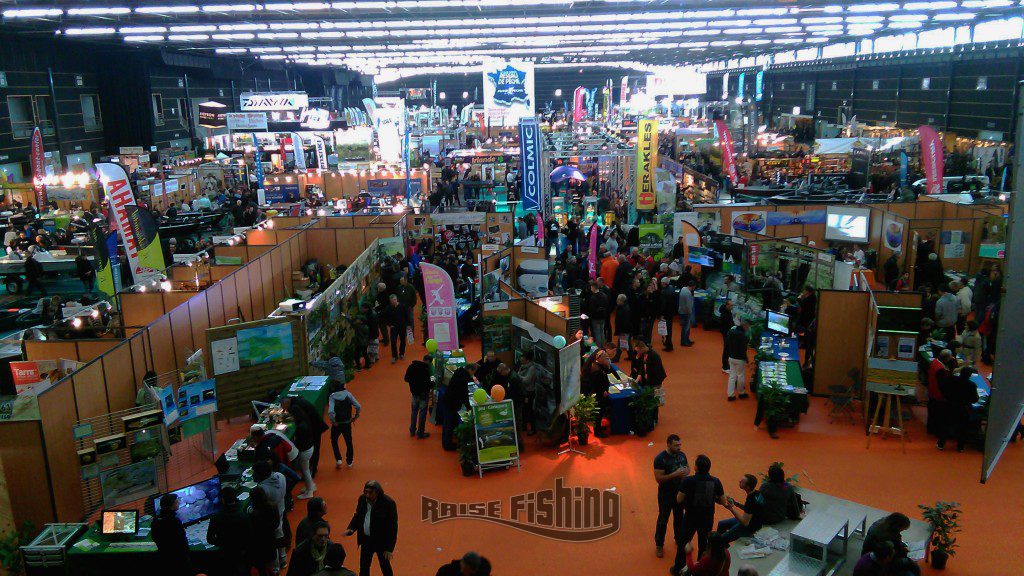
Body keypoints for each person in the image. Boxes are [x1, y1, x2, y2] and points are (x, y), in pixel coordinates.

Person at [674, 454, 724, 570]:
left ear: (696, 467)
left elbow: (679, 499)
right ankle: (701, 568)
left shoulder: (688, 480)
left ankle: (678, 568)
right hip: (707, 518)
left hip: (690, 517)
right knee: (704, 545)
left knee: (684, 542)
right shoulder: (716, 481)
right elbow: (722, 501)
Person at [344, 480, 398, 576]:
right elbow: (357, 515)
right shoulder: (362, 499)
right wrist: (351, 527)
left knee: (385, 567)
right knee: (364, 567)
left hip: (381, 542)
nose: (367, 495)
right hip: (366, 540)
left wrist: (389, 549)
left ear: (378, 493)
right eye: (366, 492)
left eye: (370, 493)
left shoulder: (388, 503)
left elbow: (393, 527)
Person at [652, 434, 689, 558]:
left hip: (680, 493)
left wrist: (686, 472)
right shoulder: (660, 459)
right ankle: (659, 544)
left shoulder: (682, 455)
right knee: (663, 520)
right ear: (668, 444)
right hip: (666, 494)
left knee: (679, 517)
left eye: (680, 445)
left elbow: (687, 468)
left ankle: (679, 539)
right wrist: (676, 474)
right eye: (676, 445)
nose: (679, 447)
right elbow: (659, 479)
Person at [207, 485, 252, 576]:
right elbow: (250, 535)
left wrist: (223, 543)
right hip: (243, 551)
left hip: (226, 552)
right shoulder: (243, 516)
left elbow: (210, 538)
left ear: (223, 500)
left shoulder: (216, 518)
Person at [253, 459, 289, 570]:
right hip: (281, 510)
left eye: (255, 473)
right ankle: (283, 559)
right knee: (280, 534)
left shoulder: (262, 489)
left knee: (273, 541)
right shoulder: (280, 476)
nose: (253, 475)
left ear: (261, 474)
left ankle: (276, 567)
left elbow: (259, 505)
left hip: (270, 517)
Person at [282, 394, 329, 478]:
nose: (284, 409)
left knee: (315, 447)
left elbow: (301, 416)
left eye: (283, 407)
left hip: (315, 426)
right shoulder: (296, 402)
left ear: (286, 403)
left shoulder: (296, 406)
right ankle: (311, 468)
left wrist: (290, 417)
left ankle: (313, 469)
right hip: (312, 425)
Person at [938, 367, 979, 452]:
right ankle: (960, 447)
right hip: (963, 409)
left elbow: (943, 389)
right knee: (962, 428)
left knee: (946, 426)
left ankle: (941, 444)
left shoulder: (951, 379)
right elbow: (975, 399)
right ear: (970, 375)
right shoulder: (971, 385)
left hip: (949, 406)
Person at [716, 474, 765, 544]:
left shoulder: (750, 500)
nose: (739, 481)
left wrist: (731, 508)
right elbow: (750, 509)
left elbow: (745, 522)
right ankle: (723, 546)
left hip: (751, 527)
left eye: (742, 482)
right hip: (755, 521)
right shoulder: (757, 493)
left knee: (721, 539)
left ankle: (720, 547)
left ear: (747, 487)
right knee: (721, 524)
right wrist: (736, 503)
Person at [151, 493, 192, 576]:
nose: (179, 503)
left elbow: (155, 538)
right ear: (171, 506)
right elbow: (182, 541)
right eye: (177, 502)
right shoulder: (174, 521)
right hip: (178, 559)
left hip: (164, 558)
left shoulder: (155, 521)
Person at [442, 363, 476, 450]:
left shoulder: (459, 372)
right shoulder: (463, 378)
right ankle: (448, 445)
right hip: (453, 403)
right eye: (473, 372)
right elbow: (464, 394)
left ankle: (445, 442)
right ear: (470, 370)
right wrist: (469, 407)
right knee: (450, 423)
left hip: (448, 400)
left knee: (446, 422)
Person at [328, 381, 361, 468]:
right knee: (348, 441)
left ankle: (338, 459)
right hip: (347, 423)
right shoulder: (348, 395)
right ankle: (349, 461)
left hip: (337, 424)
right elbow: (358, 406)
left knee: (334, 440)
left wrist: (333, 421)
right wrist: (356, 416)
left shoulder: (332, 397)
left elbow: (331, 411)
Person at [249, 487, 281, 576]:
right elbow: (277, 523)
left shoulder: (253, 514)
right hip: (271, 539)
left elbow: (252, 530)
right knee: (273, 562)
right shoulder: (273, 506)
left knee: (262, 567)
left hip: (259, 543)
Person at [404, 355, 433, 438]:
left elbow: (406, 379)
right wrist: (432, 384)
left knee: (414, 412)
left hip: (414, 393)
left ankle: (412, 430)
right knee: (422, 413)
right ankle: (420, 432)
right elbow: (427, 384)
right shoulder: (425, 370)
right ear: (428, 361)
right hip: (423, 394)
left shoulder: (411, 367)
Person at [725, 318, 751, 400]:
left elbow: (727, 344)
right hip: (739, 359)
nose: (748, 328)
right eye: (748, 327)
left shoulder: (732, 331)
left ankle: (730, 395)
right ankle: (741, 393)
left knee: (732, 376)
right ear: (745, 326)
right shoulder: (743, 336)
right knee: (740, 376)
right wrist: (747, 360)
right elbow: (743, 349)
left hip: (731, 357)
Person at [515, 354, 540, 435]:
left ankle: (533, 429)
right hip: (523, 391)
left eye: (523, 361)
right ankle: (524, 426)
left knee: (530, 410)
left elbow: (527, 380)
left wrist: (518, 377)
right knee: (524, 410)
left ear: (527, 360)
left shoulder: (532, 368)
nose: (521, 363)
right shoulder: (523, 366)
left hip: (529, 392)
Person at [383, 294, 409, 363]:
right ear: (390, 301)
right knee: (393, 341)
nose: (393, 302)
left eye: (394, 300)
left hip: (402, 326)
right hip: (393, 328)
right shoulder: (388, 308)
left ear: (397, 299)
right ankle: (394, 356)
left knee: (403, 340)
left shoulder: (402, 306)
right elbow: (385, 317)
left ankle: (401, 354)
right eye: (392, 301)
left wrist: (408, 325)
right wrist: (389, 324)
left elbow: (407, 315)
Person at [586, 280, 609, 346]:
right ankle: (603, 346)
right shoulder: (604, 295)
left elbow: (591, 309)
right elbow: (607, 305)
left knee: (597, 333)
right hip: (603, 317)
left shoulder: (593, 298)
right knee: (602, 332)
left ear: (593, 287)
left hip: (595, 318)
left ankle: (599, 347)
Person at [659, 278, 678, 351]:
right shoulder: (672, 288)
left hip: (666, 313)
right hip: (671, 312)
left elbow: (663, 305)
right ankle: (668, 344)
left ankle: (669, 345)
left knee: (666, 329)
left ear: (664, 283)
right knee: (669, 329)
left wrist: (662, 314)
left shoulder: (664, 292)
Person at [677, 280, 696, 347]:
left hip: (682, 310)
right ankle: (684, 341)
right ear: (693, 286)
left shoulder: (683, 289)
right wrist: (689, 312)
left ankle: (686, 340)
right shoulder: (688, 293)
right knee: (686, 327)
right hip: (686, 312)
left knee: (686, 327)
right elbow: (688, 305)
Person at [718, 300, 735, 373]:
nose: (732, 307)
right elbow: (727, 325)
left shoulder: (726, 312)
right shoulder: (725, 315)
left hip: (727, 333)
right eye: (731, 305)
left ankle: (726, 365)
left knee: (728, 349)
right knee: (727, 350)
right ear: (727, 305)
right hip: (727, 333)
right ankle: (724, 367)